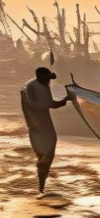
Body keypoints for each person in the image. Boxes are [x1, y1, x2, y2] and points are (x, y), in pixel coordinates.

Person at [20, 67, 69, 195]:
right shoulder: (30, 87)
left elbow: (49, 103)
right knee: (43, 151)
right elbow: (39, 105)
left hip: (44, 123)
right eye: (47, 79)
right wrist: (64, 100)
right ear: (39, 76)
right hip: (35, 124)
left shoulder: (43, 85)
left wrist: (64, 99)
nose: (48, 82)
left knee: (49, 147)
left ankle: (42, 184)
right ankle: (41, 184)